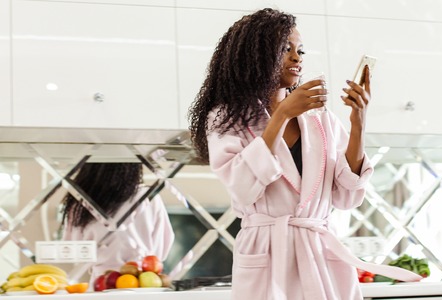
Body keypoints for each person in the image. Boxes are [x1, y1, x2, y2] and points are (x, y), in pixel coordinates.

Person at [188, 8, 421, 300]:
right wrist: (282, 114)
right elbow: (242, 186)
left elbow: (346, 196)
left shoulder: (319, 119)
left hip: (321, 256)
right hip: (268, 252)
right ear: (255, 55)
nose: (297, 57)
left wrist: (358, 121)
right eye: (285, 49)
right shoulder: (227, 118)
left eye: (300, 50)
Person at [61, 163, 174, 287]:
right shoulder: (147, 196)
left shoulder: (79, 200)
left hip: (101, 283)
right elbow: (162, 247)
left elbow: (73, 251)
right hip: (143, 282)